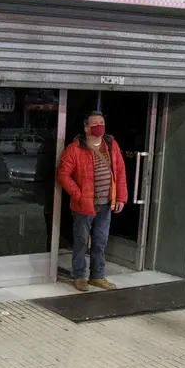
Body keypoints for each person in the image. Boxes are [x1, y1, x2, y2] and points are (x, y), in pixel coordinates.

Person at [57, 111, 128, 292]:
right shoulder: (75, 148)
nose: (99, 126)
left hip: (105, 204)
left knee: (100, 241)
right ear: (86, 127)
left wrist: (121, 197)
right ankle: (79, 276)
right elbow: (63, 175)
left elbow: (120, 172)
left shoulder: (111, 145)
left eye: (102, 122)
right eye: (95, 123)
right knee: (81, 241)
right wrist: (78, 195)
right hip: (84, 205)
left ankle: (97, 276)